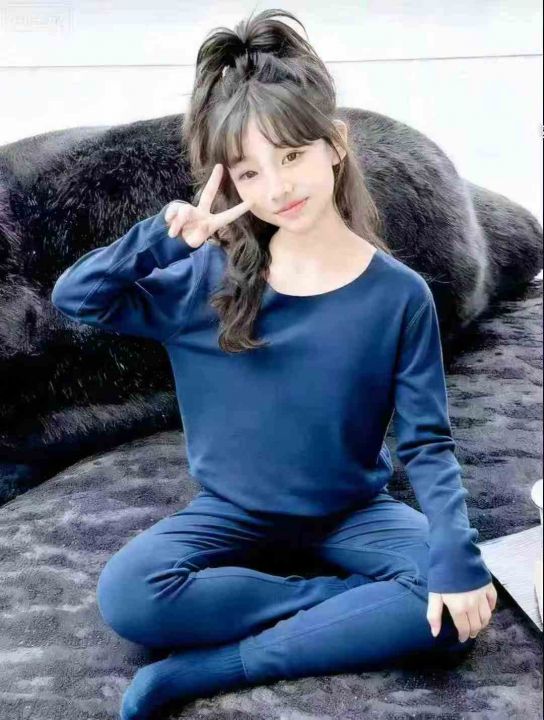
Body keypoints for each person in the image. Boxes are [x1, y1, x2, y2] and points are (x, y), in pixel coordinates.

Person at [51, 8, 497, 720]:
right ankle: (341, 608)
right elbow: (78, 296)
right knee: (130, 595)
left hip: (353, 511)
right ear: (230, 183)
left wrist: (455, 555)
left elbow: (426, 442)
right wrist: (162, 240)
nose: (279, 187)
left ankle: (210, 668)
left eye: (291, 156)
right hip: (230, 514)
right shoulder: (203, 283)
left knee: (456, 610)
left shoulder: (398, 295)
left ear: (335, 145)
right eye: (251, 172)